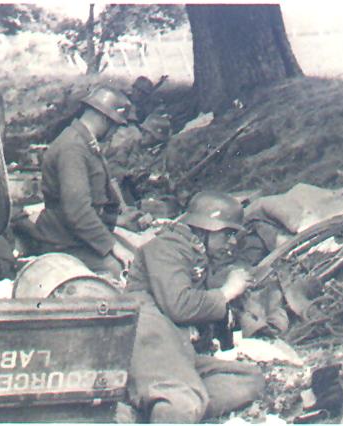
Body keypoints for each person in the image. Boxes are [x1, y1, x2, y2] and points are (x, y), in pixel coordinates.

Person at [125, 191, 265, 423]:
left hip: (177, 351)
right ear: (203, 228)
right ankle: (171, 403)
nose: (232, 242)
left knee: (251, 379)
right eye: (227, 234)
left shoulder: (196, 254)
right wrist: (226, 292)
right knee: (182, 405)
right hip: (149, 342)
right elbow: (179, 305)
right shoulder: (166, 247)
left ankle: (149, 406)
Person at [34, 86, 135, 279]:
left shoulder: (84, 142)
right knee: (124, 271)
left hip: (79, 238)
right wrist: (112, 246)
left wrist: (117, 222)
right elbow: (78, 211)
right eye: (115, 125)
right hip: (65, 243)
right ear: (105, 119)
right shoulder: (73, 148)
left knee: (138, 257)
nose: (114, 132)